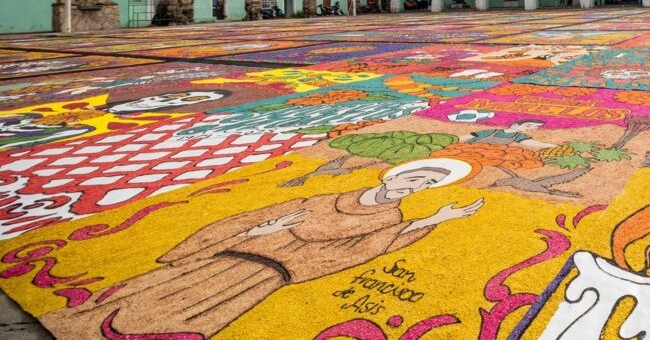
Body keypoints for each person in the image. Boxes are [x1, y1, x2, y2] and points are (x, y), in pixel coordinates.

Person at [42, 160, 482, 339]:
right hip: (236, 253)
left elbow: (364, 250)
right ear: (392, 176)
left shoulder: (390, 219)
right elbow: (246, 220)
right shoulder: (319, 199)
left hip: (268, 272)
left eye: (425, 183)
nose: (415, 184)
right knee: (141, 294)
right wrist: (255, 232)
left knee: (186, 316)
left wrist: (431, 221)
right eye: (413, 177)